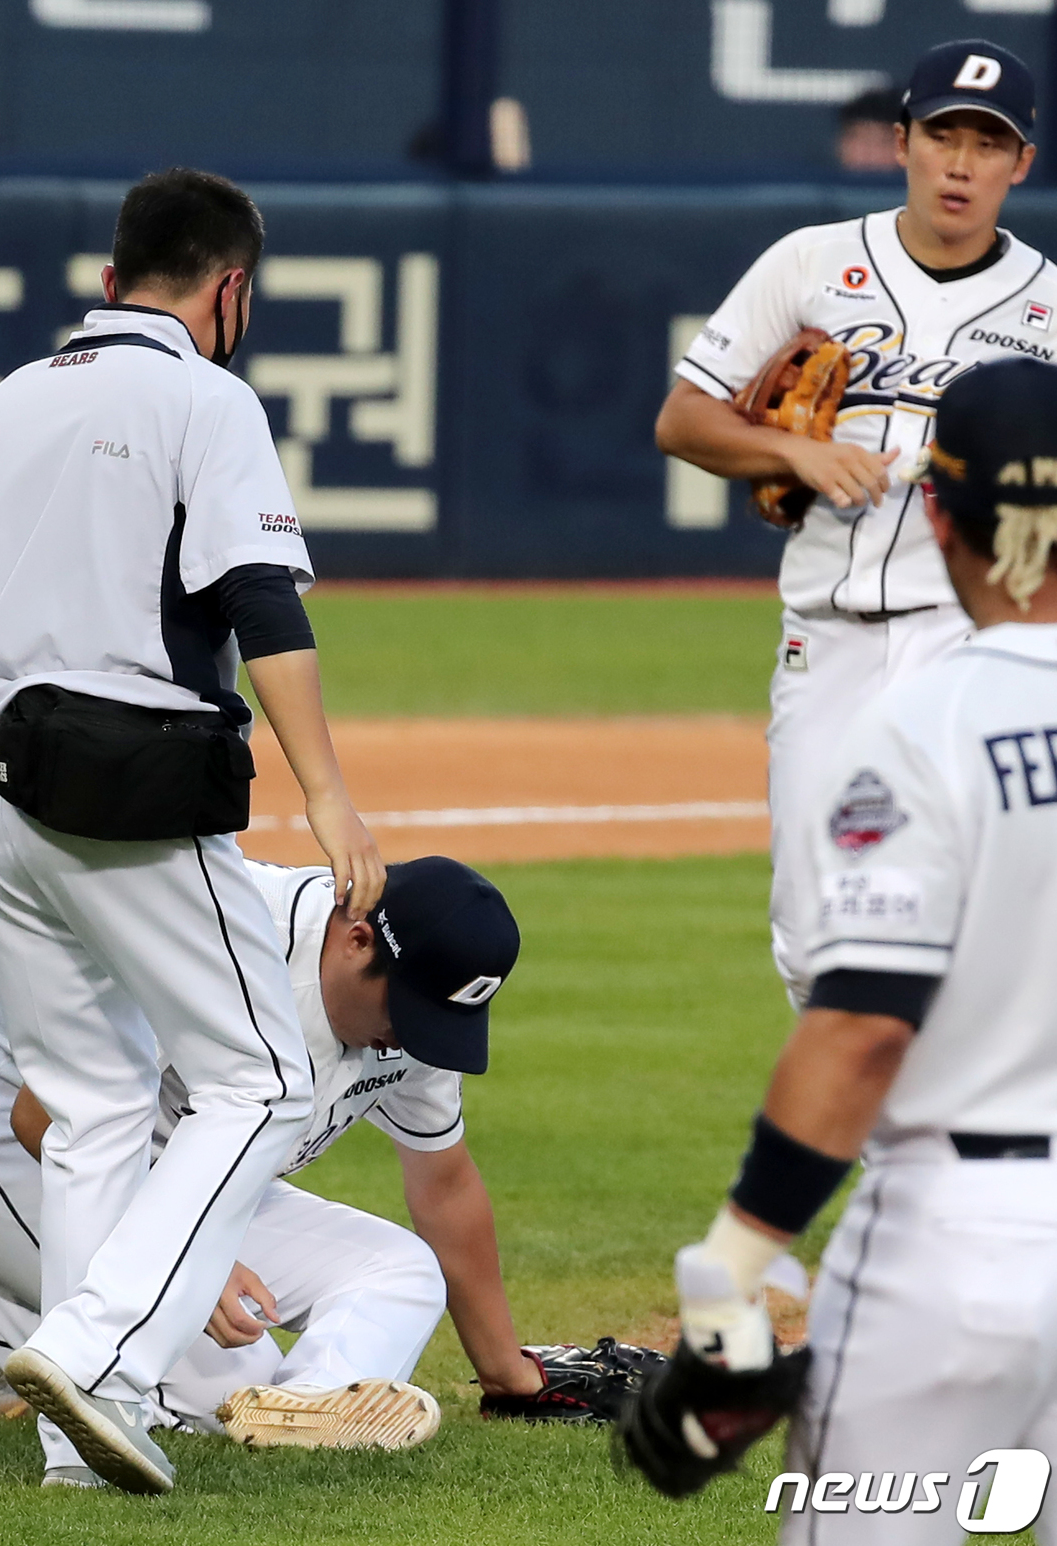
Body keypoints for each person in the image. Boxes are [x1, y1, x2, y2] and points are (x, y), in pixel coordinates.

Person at [0, 168, 385, 1495]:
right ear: (230, 288)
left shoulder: (8, 398)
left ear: (113, 278)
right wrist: (330, 795)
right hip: (119, 780)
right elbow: (259, 604)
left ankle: (76, 1445)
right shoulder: (208, 396)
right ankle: (95, 1341)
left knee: (99, 1102)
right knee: (263, 1082)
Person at [625, 357, 1057, 1540]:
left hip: (950, 1247)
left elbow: (864, 1016)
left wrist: (734, 1259)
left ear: (933, 512)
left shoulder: (918, 729)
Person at [0, 856, 607, 1484]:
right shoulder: (225, 935)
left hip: (180, 1174)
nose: (412, 1038)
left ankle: (301, 1416)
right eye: (410, 1010)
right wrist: (181, 1255)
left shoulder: (405, 1022)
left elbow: (445, 1186)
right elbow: (45, 1116)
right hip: (1, 1134)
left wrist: (508, 1374)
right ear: (356, 939)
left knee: (402, 1273)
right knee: (196, 1395)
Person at [657, 38, 1054, 1008]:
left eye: (985, 142)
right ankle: (886, 1150)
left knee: (979, 917)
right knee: (807, 934)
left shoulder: (1046, 305)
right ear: (901, 142)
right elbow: (683, 419)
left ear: (1020, 163)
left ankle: (951, 1151)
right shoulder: (810, 262)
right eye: (941, 135)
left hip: (972, 643)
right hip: (825, 638)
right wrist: (793, 451)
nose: (959, 163)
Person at [835, 87, 904, 174]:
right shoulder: (818, 184)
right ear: (842, 144)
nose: (872, 153)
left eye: (884, 142)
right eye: (863, 139)